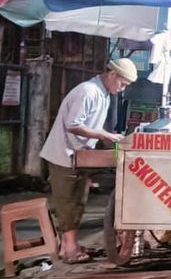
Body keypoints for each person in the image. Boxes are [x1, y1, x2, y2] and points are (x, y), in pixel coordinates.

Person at [39, 58, 137, 263]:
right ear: (112, 75)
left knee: (79, 201)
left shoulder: (103, 95)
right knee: (68, 202)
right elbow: (73, 125)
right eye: (122, 83)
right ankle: (70, 250)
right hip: (63, 154)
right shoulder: (88, 91)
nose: (122, 89)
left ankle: (68, 246)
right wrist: (103, 135)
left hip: (80, 156)